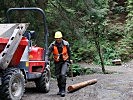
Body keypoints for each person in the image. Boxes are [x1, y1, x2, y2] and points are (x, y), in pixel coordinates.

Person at [46, 31, 71, 97]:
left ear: (61, 38)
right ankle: (60, 89)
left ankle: (63, 90)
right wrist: (46, 59)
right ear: (55, 39)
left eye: (59, 38)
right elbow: (48, 53)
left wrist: (70, 59)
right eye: (57, 38)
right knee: (58, 76)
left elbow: (69, 52)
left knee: (63, 75)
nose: (58, 39)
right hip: (57, 62)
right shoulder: (52, 45)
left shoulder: (66, 44)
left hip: (64, 61)